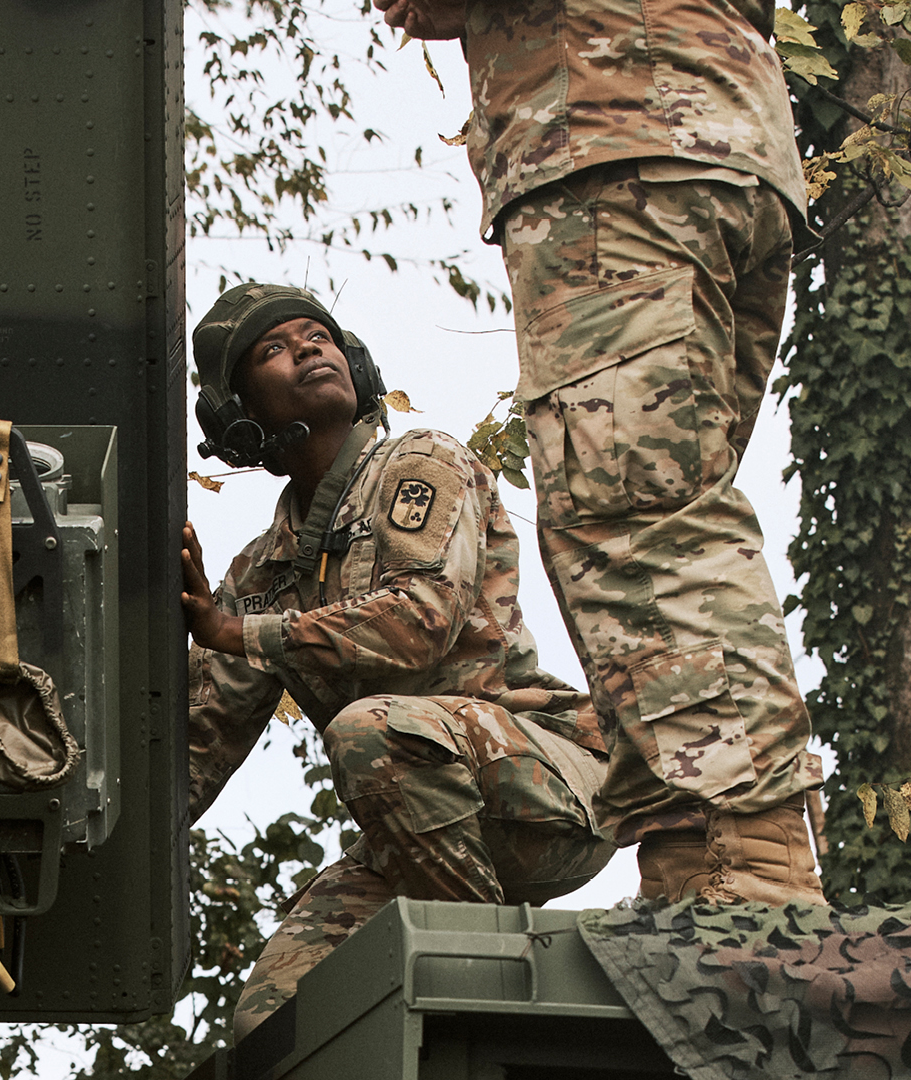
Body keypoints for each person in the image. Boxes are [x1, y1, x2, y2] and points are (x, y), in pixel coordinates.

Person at [370, 0, 827, 904]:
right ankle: (699, 850)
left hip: (617, 143)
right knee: (656, 517)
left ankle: (752, 858)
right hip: (701, 130)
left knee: (631, 522)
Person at [183, 283, 615, 1038]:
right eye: (274, 350)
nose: (310, 349)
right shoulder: (262, 572)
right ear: (239, 418)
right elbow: (194, 749)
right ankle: (464, 970)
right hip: (417, 827)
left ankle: (486, 1013)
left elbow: (422, 622)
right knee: (271, 1022)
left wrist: (242, 632)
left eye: (318, 336)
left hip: (543, 783)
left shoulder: (420, 462)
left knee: (367, 731)